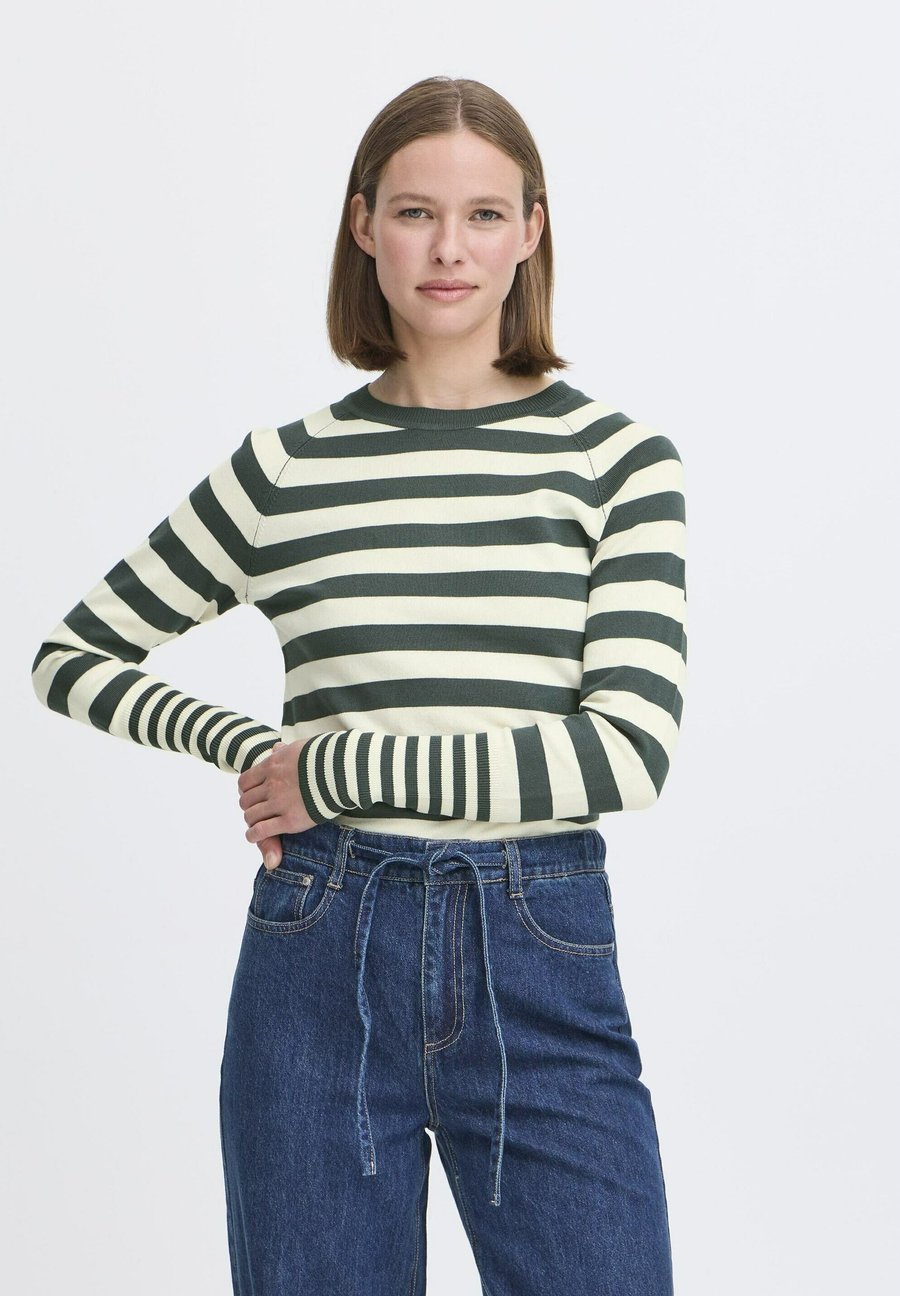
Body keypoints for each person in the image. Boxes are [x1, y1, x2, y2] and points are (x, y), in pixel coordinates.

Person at [32, 75, 687, 1296]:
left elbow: (625, 753)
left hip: (539, 946)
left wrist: (325, 764)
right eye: (415, 212)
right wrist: (248, 748)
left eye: (484, 215)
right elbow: (72, 658)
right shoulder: (285, 469)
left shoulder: (618, 461)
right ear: (363, 225)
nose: (449, 250)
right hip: (318, 951)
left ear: (532, 230)